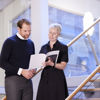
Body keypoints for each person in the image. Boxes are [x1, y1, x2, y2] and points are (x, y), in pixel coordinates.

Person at [0, 19, 36, 100]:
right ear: (18, 29)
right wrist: (21, 71)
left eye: (29, 31)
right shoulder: (9, 42)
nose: (28, 33)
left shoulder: (31, 43)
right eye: (25, 31)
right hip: (13, 80)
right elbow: (2, 62)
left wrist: (34, 68)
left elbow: (31, 61)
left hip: (28, 81)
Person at [36, 23, 69, 100]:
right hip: (45, 78)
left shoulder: (63, 47)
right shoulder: (43, 47)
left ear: (58, 34)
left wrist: (52, 64)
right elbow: (39, 63)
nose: (51, 35)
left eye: (54, 33)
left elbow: (63, 66)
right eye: (50, 32)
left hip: (57, 78)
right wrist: (41, 64)